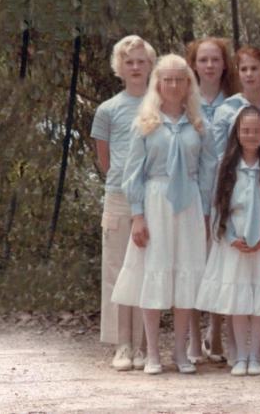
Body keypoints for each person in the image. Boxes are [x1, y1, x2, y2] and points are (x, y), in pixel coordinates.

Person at [111, 54, 217, 375]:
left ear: (188, 85)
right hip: (155, 202)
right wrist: (138, 215)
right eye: (167, 79)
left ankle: (181, 352)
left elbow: (208, 171)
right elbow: (133, 173)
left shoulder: (199, 124)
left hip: (189, 206)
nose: (173, 85)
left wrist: (206, 214)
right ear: (158, 83)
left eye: (179, 80)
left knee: (185, 274)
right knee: (154, 273)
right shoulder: (145, 123)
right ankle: (153, 352)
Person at [195, 106, 260, 376]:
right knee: (238, 299)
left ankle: (255, 355)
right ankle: (240, 355)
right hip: (235, 238)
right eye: (245, 131)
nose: (251, 135)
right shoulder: (225, 164)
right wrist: (229, 237)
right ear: (237, 134)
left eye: (256, 130)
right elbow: (217, 205)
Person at [91, 35, 156, 371]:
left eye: (141, 61)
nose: (135, 67)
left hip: (152, 200)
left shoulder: (159, 104)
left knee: (146, 271)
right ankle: (123, 345)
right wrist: (121, 186)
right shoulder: (108, 110)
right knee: (117, 271)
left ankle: (145, 345)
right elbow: (105, 160)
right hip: (118, 199)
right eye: (129, 61)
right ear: (119, 66)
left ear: (150, 66)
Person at [185, 36, 238, 364]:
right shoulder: (183, 101)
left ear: (224, 64)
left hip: (229, 196)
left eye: (215, 60)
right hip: (192, 196)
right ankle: (192, 338)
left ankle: (216, 331)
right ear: (194, 64)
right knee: (193, 265)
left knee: (222, 266)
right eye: (203, 60)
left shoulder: (234, 103)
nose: (209, 66)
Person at [211, 46, 260, 159]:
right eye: (244, 69)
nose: (249, 74)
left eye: (254, 68)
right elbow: (219, 156)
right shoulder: (226, 110)